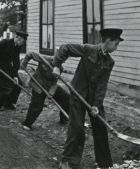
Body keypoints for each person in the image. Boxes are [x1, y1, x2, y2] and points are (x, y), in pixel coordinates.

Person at [53, 28, 124, 169]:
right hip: (78, 93)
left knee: (100, 127)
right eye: (116, 44)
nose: (116, 48)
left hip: (93, 98)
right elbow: (65, 47)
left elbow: (102, 85)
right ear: (108, 41)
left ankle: (104, 164)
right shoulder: (88, 49)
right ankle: (68, 162)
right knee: (77, 128)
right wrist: (57, 65)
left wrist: (97, 104)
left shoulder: (110, 61)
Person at [20, 51, 69, 130]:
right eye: (62, 59)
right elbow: (30, 54)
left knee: (66, 97)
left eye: (64, 60)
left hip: (48, 86)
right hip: (37, 85)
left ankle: (64, 119)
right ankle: (27, 123)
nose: (63, 61)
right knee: (37, 105)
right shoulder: (44, 58)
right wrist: (24, 64)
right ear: (56, 57)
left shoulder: (60, 68)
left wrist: (51, 93)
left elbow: (54, 82)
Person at [0, 30, 28, 113]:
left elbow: (16, 61)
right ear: (17, 38)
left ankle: (8, 103)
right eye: (22, 41)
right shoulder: (5, 42)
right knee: (7, 87)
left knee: (18, 83)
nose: (23, 44)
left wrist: (15, 75)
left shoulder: (17, 47)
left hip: (8, 67)